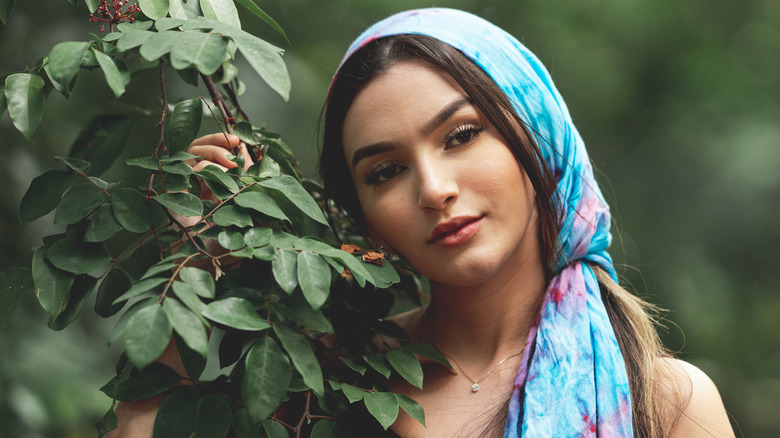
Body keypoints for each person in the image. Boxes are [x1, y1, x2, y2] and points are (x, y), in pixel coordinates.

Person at [112, 8, 734, 437]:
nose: (434, 190)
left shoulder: (666, 400)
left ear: (537, 136)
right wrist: (187, 270)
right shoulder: (319, 376)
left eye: (461, 136)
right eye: (385, 172)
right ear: (363, 219)